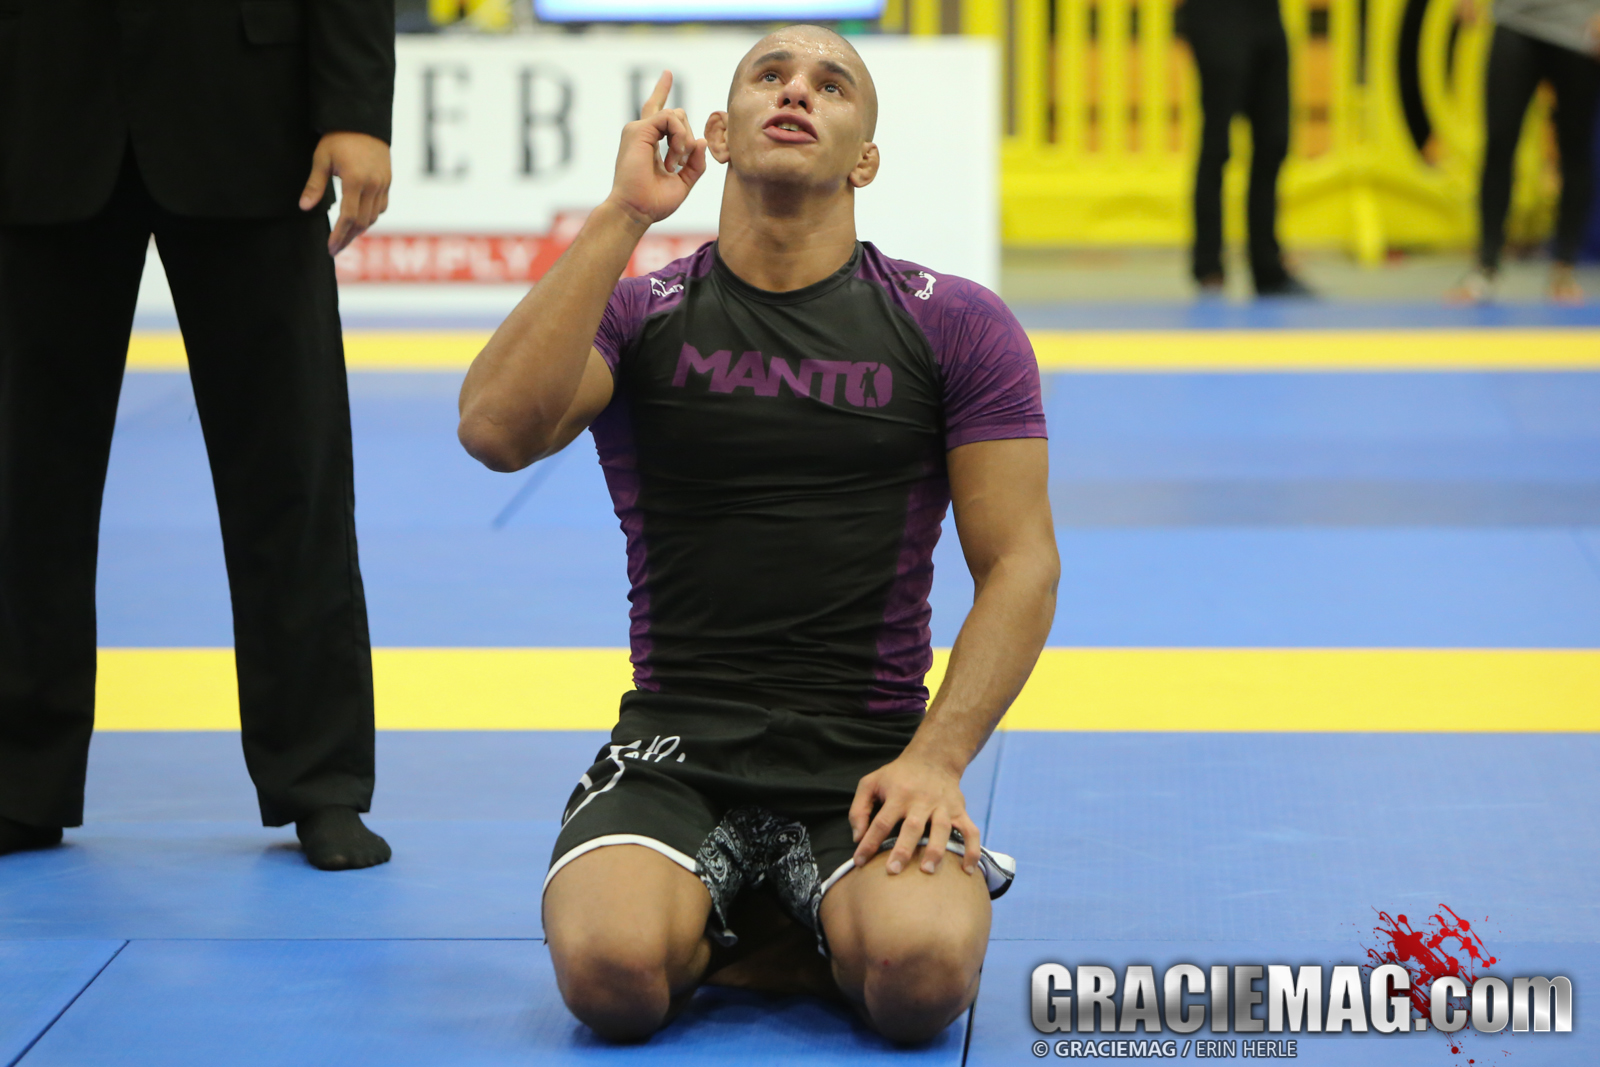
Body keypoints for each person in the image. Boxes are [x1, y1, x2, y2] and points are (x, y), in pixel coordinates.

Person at [457, 26, 1060, 1043]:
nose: (796, 92)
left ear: (865, 158)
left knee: (921, 976)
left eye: (832, 84)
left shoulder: (955, 323)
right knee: (610, 974)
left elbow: (1020, 564)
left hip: (868, 752)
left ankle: (771, 914)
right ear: (722, 135)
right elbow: (493, 431)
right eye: (769, 76)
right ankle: (783, 916)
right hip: (673, 746)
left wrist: (936, 759)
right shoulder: (640, 313)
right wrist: (622, 215)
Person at [0, 0, 396, 870]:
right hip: (36, 100)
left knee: (292, 469)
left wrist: (356, 110)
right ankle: (16, 780)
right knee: (22, 480)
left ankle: (321, 780)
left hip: (251, 112)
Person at [1450, 0, 1600, 303]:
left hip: (1578, 28)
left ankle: (1564, 268)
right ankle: (1486, 266)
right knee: (1499, 141)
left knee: (1574, 149)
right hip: (1515, 19)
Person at [1177, 0, 1315, 297]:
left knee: (1273, 141)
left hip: (1265, 14)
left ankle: (1267, 268)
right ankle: (1209, 268)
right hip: (1216, 14)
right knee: (1217, 143)